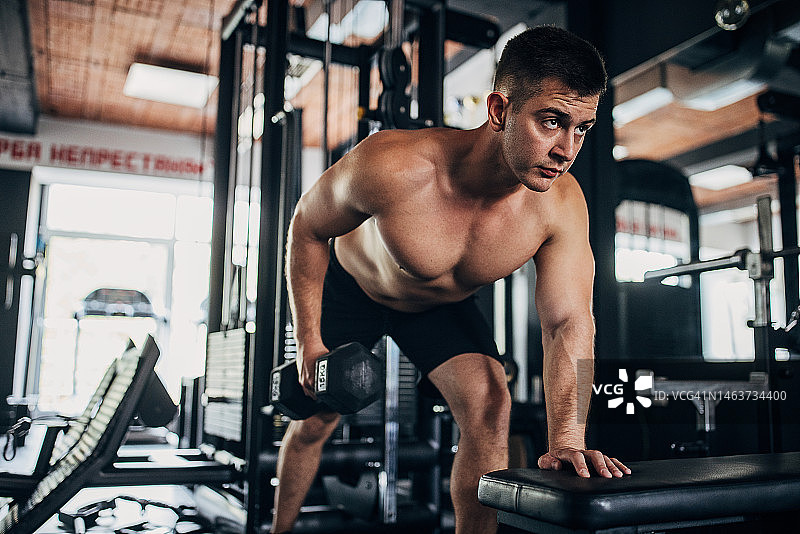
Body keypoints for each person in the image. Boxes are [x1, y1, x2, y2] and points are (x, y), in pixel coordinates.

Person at [271, 24, 630, 534]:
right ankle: (278, 530)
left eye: (582, 129)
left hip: (439, 307)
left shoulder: (561, 205)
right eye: (551, 121)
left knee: (491, 407)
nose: (566, 149)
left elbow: (569, 321)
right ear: (499, 110)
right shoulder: (393, 165)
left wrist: (567, 438)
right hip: (355, 289)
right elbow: (306, 228)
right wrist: (308, 340)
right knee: (315, 422)